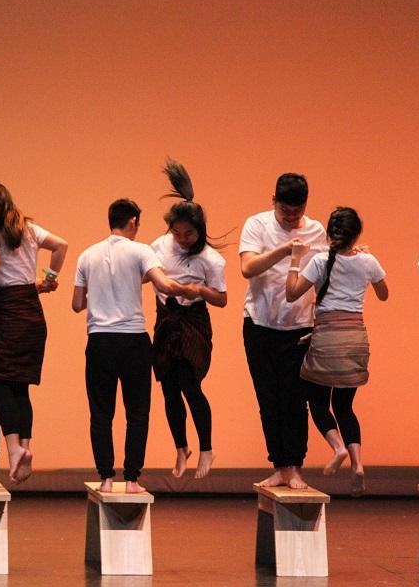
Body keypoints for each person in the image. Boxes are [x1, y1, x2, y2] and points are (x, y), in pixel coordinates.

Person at [73, 198, 200, 493]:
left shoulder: (87, 255)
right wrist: (190, 289)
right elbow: (165, 285)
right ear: (132, 222)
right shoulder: (141, 250)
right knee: (137, 412)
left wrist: (103, 296)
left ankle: (105, 478)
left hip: (99, 340)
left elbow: (77, 304)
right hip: (133, 341)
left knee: (101, 412)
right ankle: (131, 479)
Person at [0, 180, 68, 484]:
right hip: (31, 311)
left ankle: (12, 449)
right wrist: (50, 277)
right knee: (20, 385)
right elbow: (61, 245)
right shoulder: (28, 227)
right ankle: (25, 445)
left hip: (3, 310)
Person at [285, 207, 388, 496]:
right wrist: (365, 259)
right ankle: (357, 464)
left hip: (327, 337)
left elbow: (292, 293)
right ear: (357, 234)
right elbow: (384, 293)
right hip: (355, 338)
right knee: (345, 406)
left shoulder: (319, 260)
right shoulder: (367, 260)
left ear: (330, 234)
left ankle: (338, 447)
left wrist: (294, 261)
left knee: (318, 402)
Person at [240, 173, 327, 489]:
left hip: (300, 327)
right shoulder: (258, 225)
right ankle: (278, 466)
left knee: (295, 399)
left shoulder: (317, 230)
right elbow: (247, 268)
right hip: (260, 324)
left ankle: (295, 467)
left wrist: (351, 256)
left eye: (297, 211)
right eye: (285, 211)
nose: (291, 217)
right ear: (273, 200)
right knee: (268, 398)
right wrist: (286, 250)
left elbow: (327, 270)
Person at [151, 161, 228, 480]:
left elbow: (222, 299)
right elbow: (147, 274)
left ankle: (207, 448)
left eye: (189, 233)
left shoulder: (211, 258)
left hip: (193, 320)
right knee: (168, 387)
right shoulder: (158, 245)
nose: (182, 239)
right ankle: (181, 447)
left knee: (189, 384)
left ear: (200, 231)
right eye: (177, 233)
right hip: (166, 317)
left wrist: (199, 289)